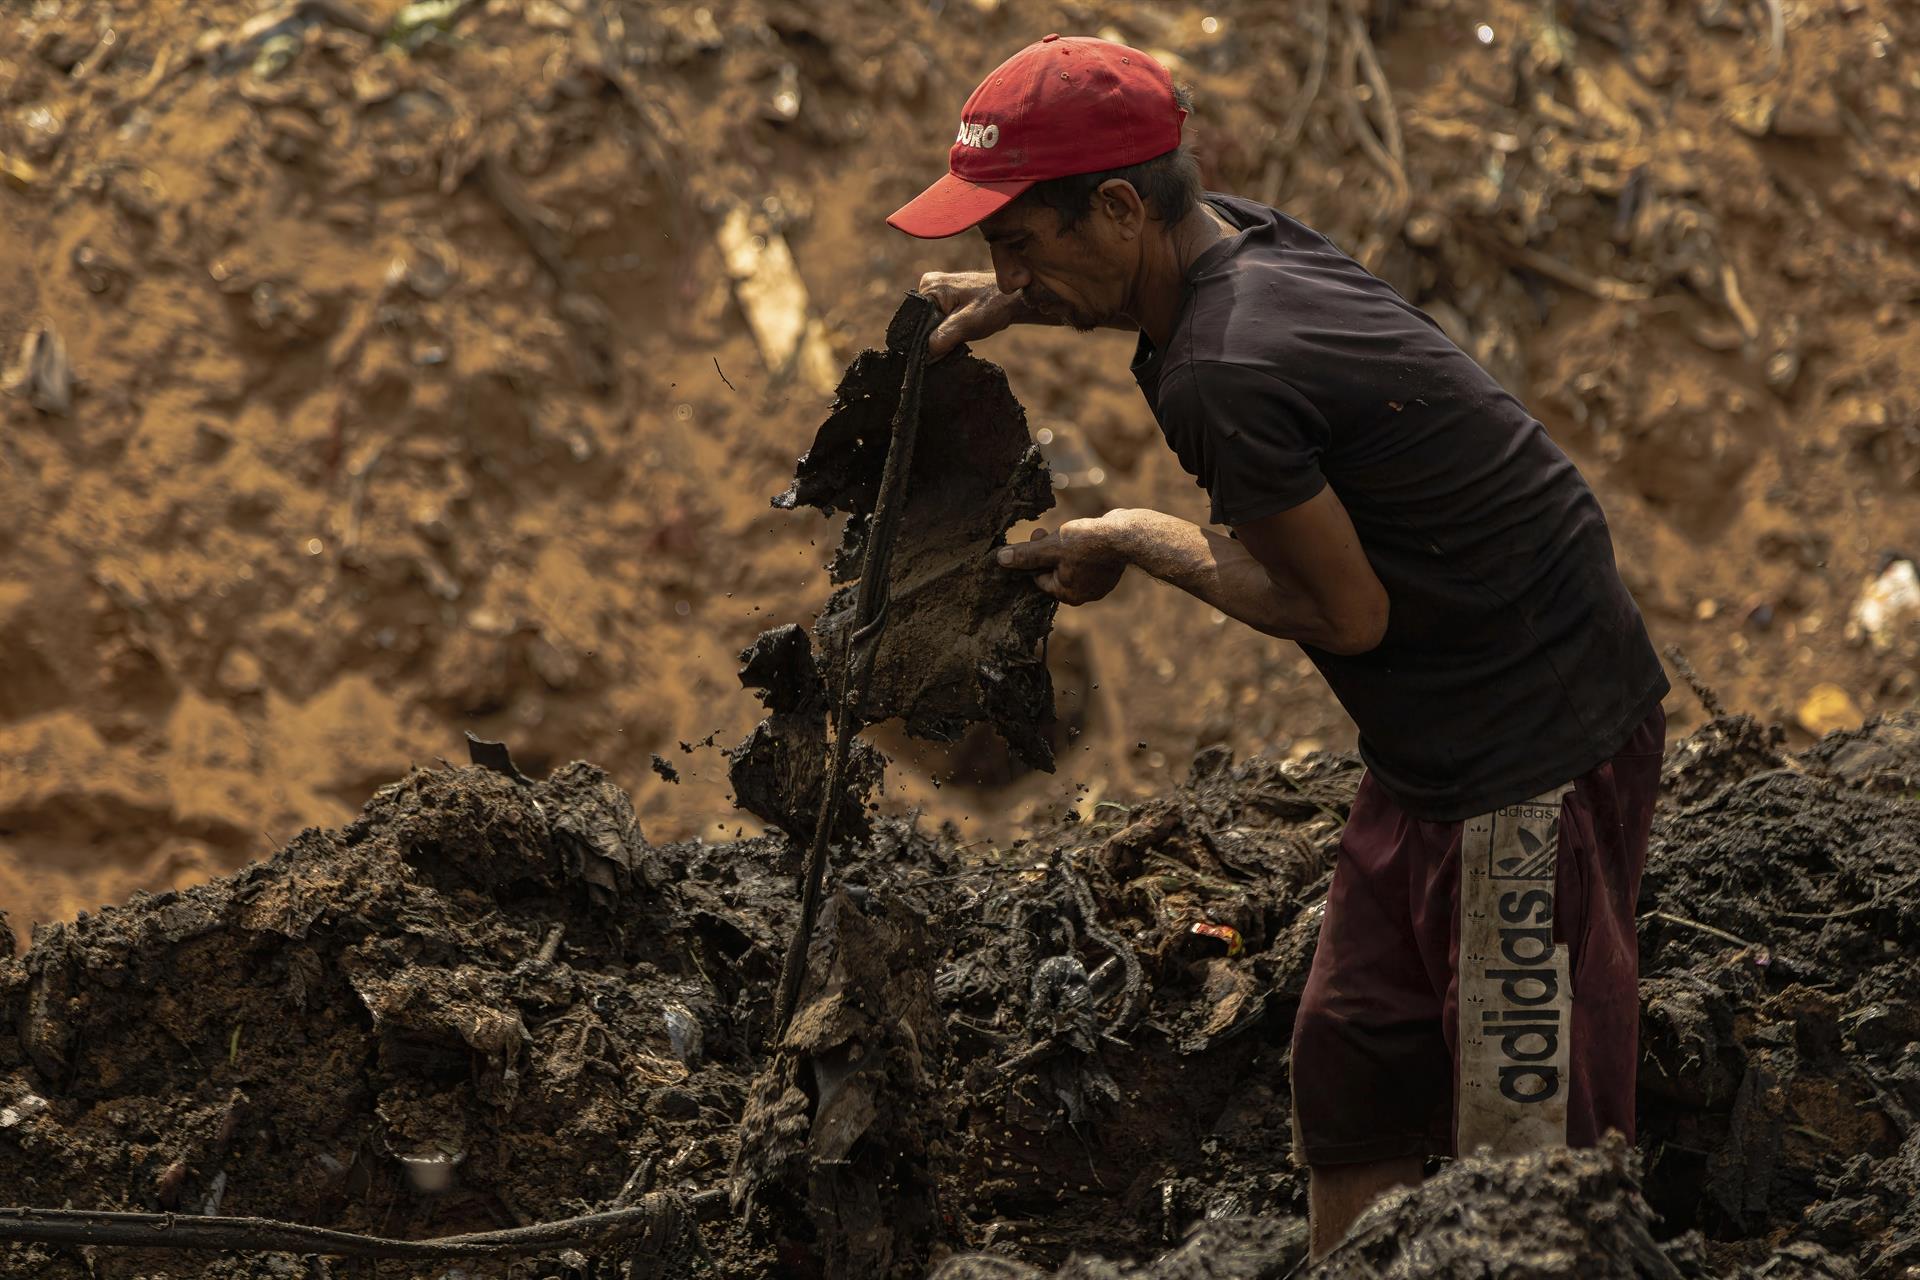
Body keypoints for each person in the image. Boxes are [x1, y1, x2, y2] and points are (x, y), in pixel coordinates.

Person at [888, 33, 1671, 1260]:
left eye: (1017, 241)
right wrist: (1026, 296)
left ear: (1114, 207)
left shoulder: (1226, 368)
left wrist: (1141, 534)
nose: (1003, 272)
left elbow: (1346, 612)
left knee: (1530, 1163)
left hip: (1532, 746)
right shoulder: (1230, 244)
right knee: (1350, 1062)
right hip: (1429, 738)